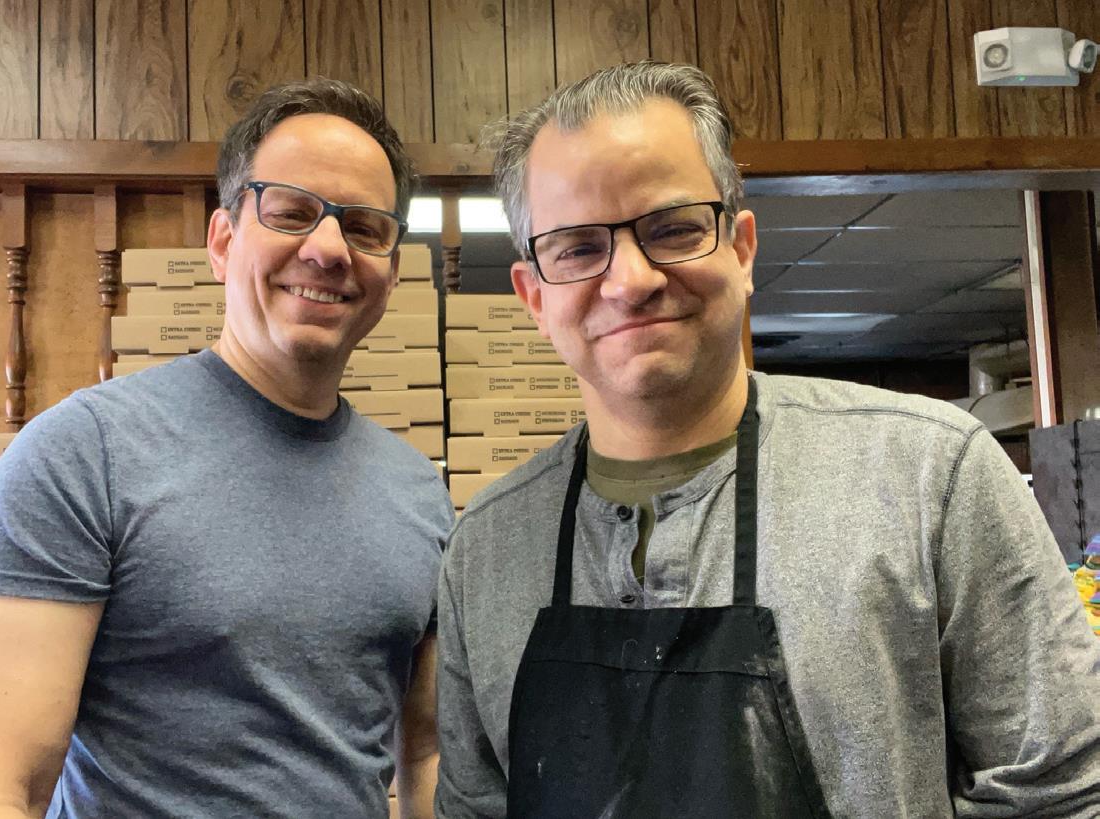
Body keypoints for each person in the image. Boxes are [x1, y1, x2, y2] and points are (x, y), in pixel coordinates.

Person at [435, 61, 1100, 818]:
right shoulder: (483, 552)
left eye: (673, 228)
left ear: (742, 249)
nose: (631, 279)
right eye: (578, 248)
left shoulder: (928, 475)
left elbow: (1067, 794)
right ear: (533, 296)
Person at [0, 78, 452, 818]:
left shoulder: (417, 492)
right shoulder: (80, 458)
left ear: (392, 270)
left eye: (365, 228)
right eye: (291, 212)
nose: (327, 249)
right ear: (222, 242)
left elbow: (427, 753)